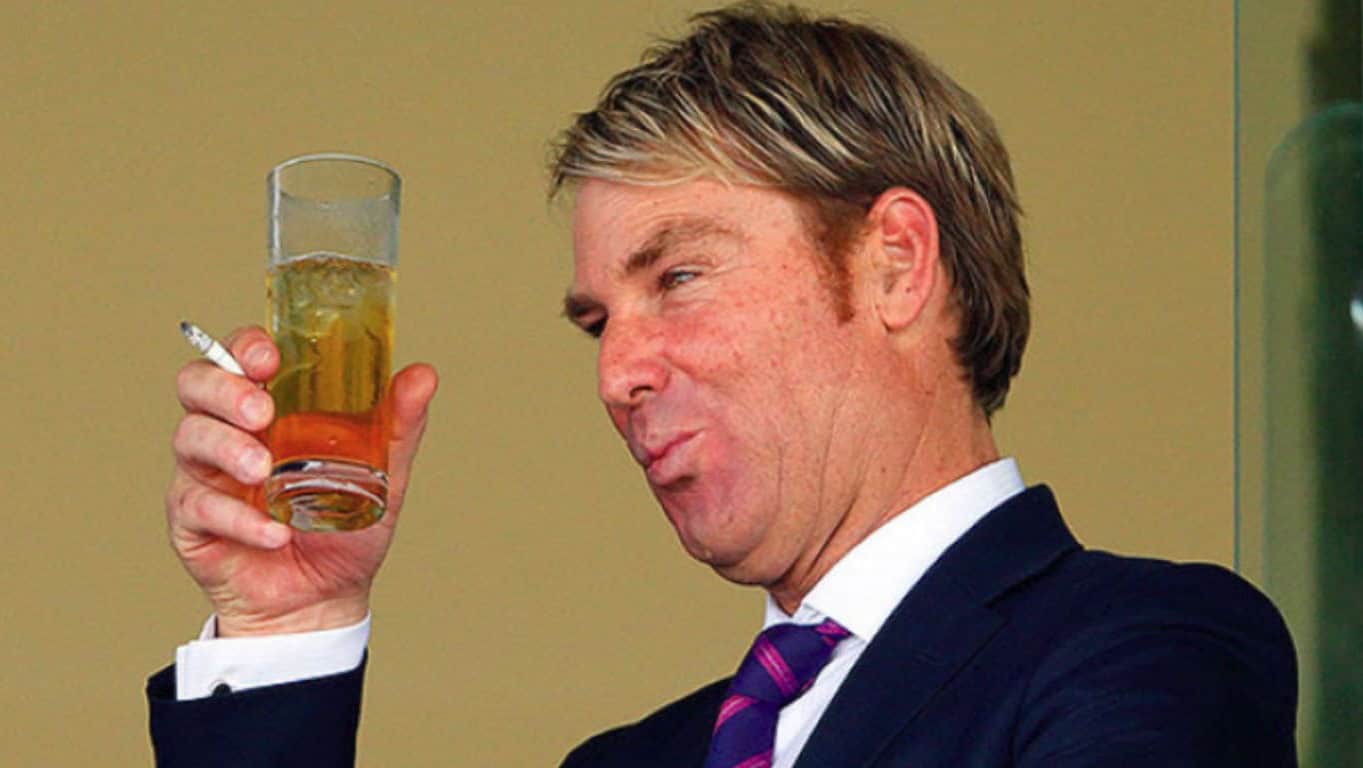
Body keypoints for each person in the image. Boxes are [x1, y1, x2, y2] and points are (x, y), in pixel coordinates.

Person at [147, 4, 1298, 766]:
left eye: (679, 277)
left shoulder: (1148, 651)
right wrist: (288, 629)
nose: (617, 373)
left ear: (895, 263)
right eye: (596, 323)